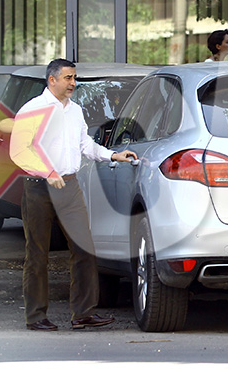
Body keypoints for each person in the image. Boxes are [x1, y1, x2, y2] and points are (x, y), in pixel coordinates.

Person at [9, 58, 138, 331]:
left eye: (74, 77)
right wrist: (47, 172)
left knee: (84, 248)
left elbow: (85, 145)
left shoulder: (75, 111)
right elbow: (19, 151)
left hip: (69, 185)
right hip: (39, 188)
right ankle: (36, 316)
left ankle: (83, 313)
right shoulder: (32, 110)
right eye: (68, 78)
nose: (73, 83)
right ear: (52, 80)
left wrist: (113, 154)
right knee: (37, 254)